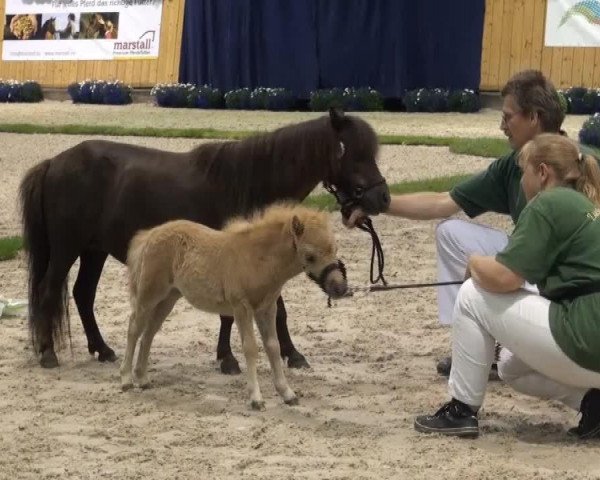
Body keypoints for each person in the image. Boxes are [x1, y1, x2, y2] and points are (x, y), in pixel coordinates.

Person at [345, 69, 596, 378]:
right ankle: (475, 347)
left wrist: (483, 267)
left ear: (534, 117)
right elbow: (443, 202)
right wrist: (376, 205)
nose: (502, 126)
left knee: (492, 282)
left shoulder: (582, 163)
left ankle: (496, 359)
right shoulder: (512, 164)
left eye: (508, 117)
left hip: (571, 286)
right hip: (537, 263)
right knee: (451, 233)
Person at [413, 133, 600, 439]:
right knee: (512, 366)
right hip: (591, 330)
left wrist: (473, 262)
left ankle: (461, 411)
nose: (521, 179)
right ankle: (595, 406)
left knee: (474, 293)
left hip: (589, 333)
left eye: (523, 170)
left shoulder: (549, 202)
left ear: (542, 173)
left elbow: (503, 278)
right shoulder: (584, 203)